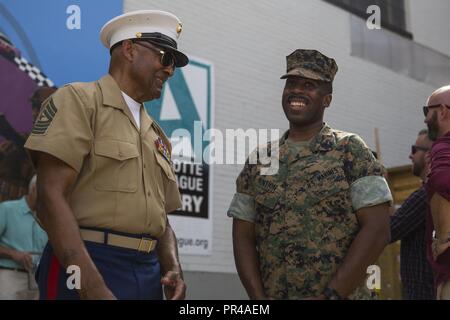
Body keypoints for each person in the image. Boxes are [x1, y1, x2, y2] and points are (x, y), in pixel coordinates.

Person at [24, 10, 189, 300]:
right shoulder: (78, 102)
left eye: (174, 64)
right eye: (166, 58)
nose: (169, 70)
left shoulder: (157, 136)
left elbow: (159, 218)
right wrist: (91, 286)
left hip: (148, 273)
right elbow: (49, 196)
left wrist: (172, 265)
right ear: (129, 49)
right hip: (84, 262)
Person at [227, 49, 392, 300]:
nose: (297, 91)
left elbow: (378, 229)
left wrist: (332, 295)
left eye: (309, 85)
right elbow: (242, 236)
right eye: (291, 83)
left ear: (327, 99)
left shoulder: (350, 150)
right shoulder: (261, 160)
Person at [389, 129, 434, 299]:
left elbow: (389, 229)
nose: (410, 155)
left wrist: (377, 186)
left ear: (429, 155)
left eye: (414, 149)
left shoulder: (426, 195)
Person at [0, 175, 48, 299]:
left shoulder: (47, 218)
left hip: (37, 280)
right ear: (33, 189)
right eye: (45, 193)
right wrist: (13, 253)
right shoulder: (7, 209)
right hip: (11, 277)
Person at [423, 85, 450, 299]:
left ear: (443, 111)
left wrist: (445, 239)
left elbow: (442, 181)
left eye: (426, 110)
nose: (425, 119)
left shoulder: (443, 147)